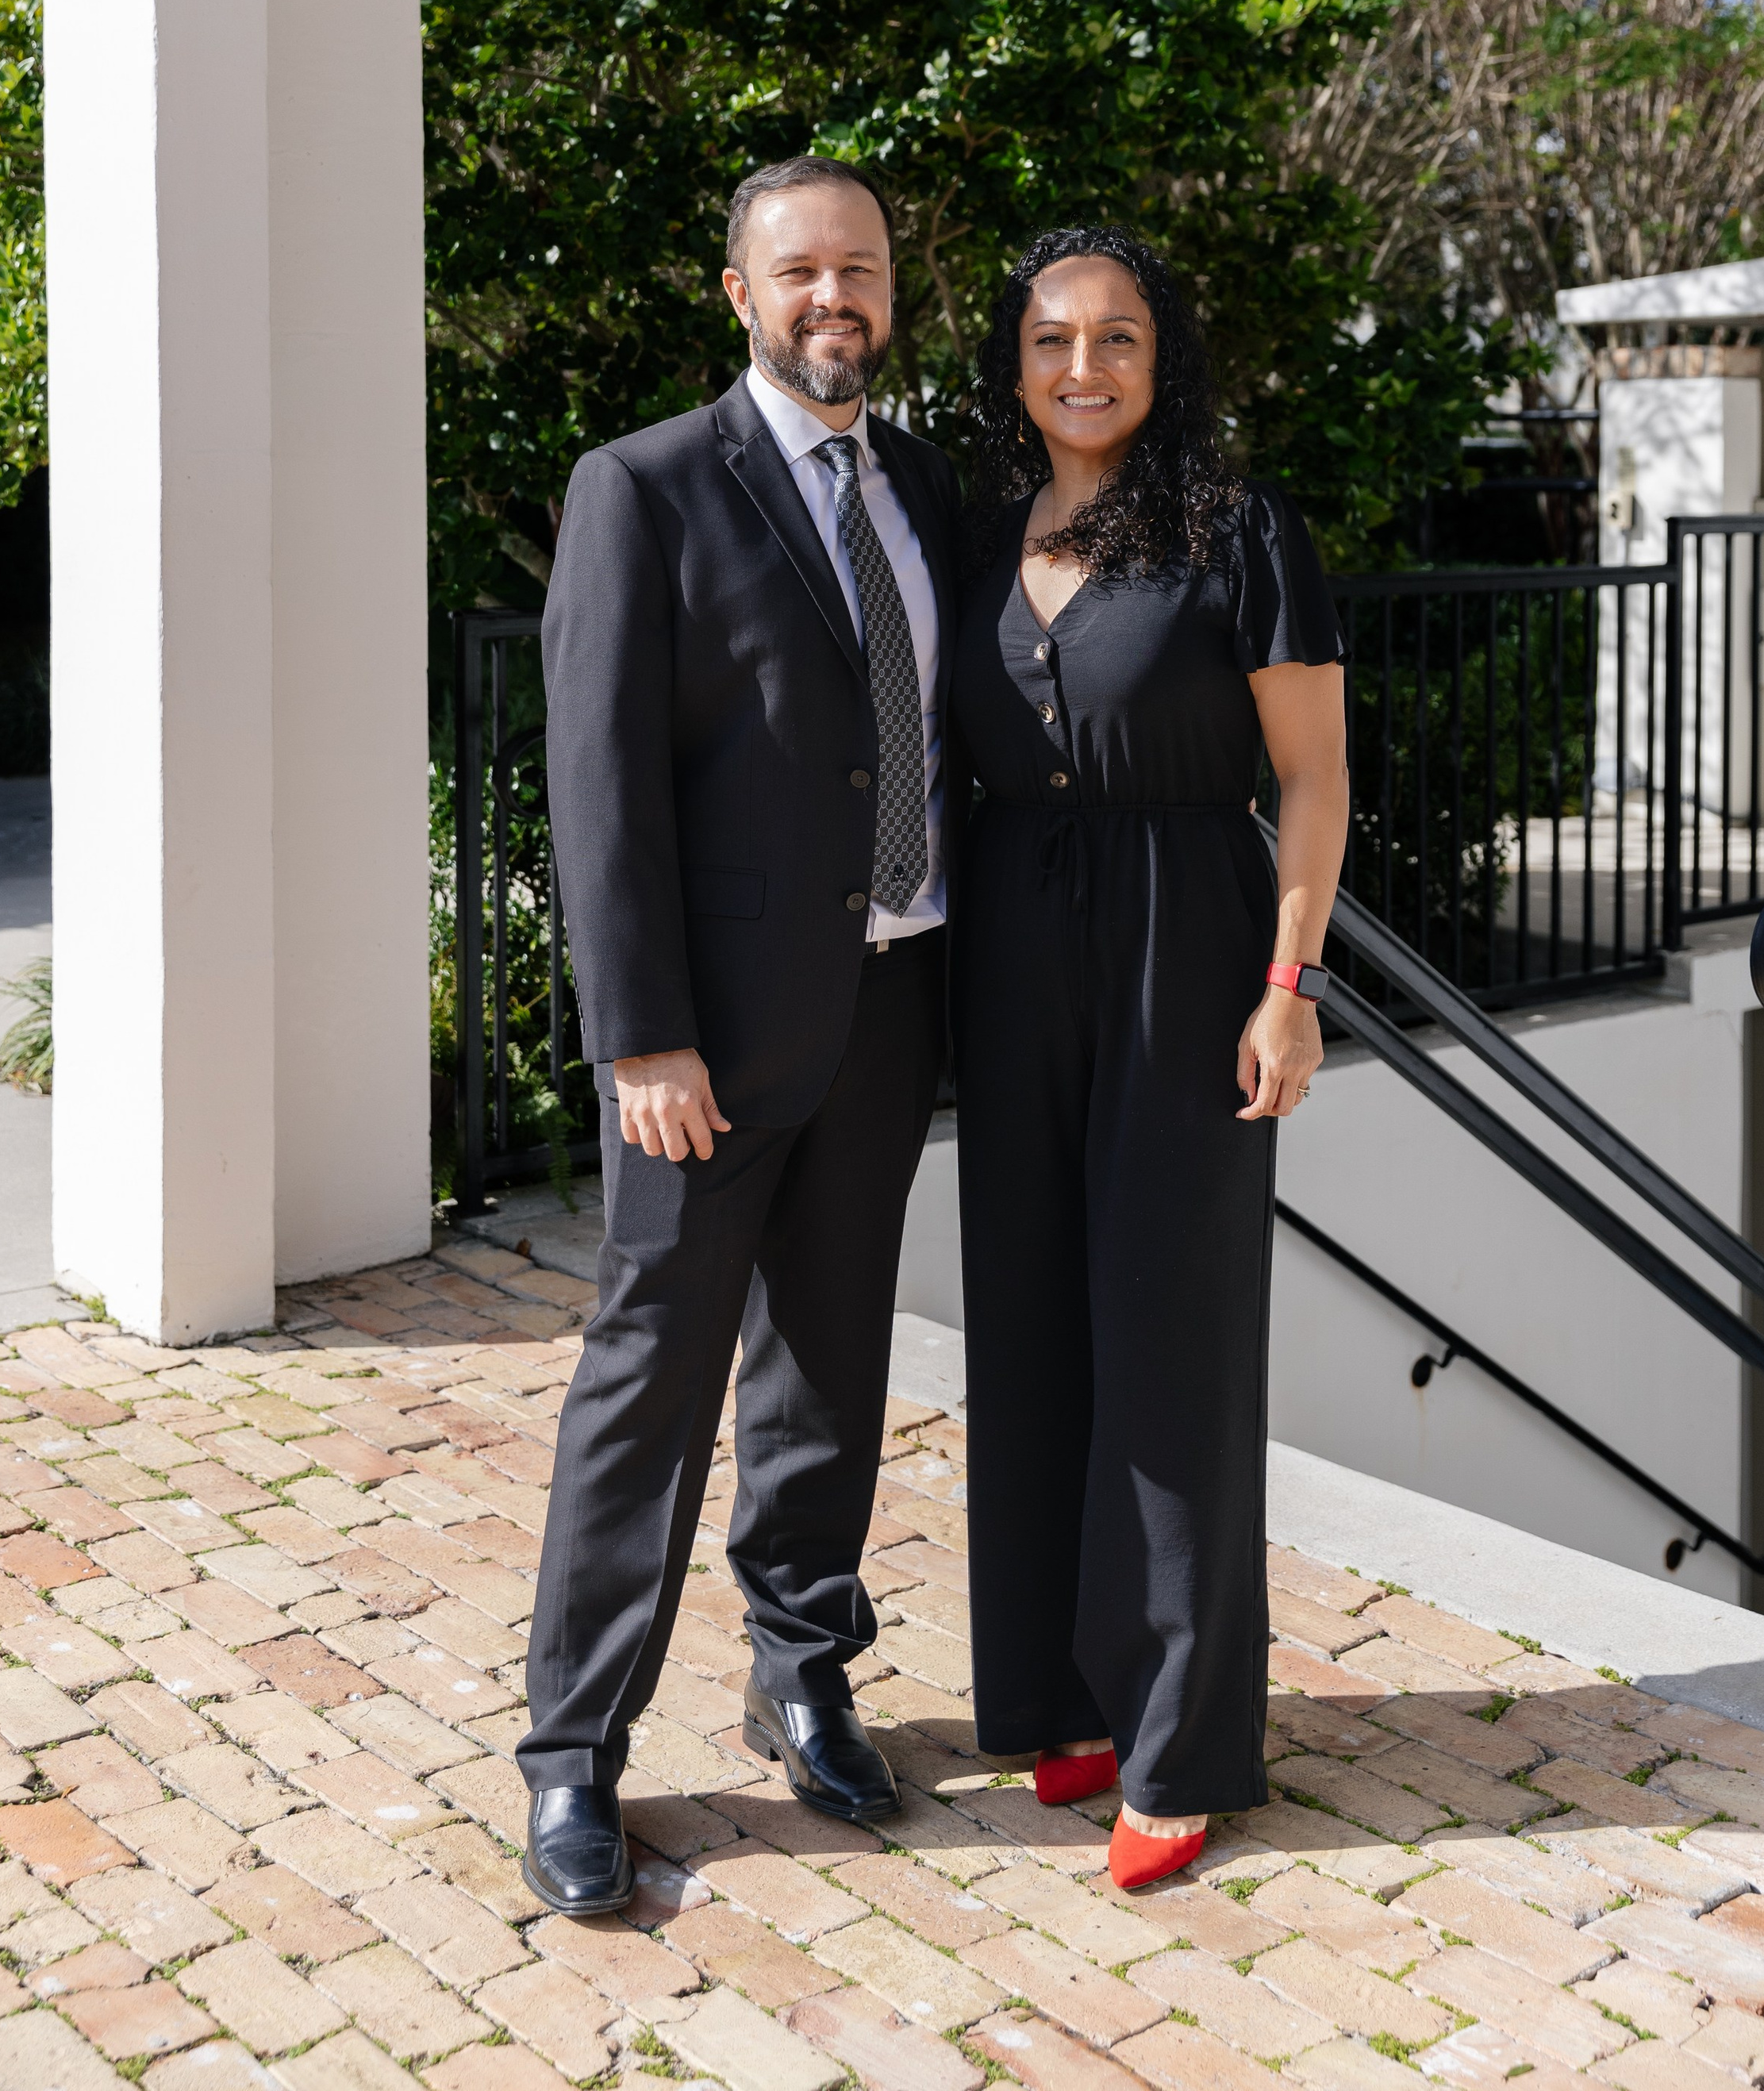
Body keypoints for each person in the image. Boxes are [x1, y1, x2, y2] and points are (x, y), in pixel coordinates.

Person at [518, 154, 963, 1916]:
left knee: (827, 1374)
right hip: (698, 1049)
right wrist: (639, 1035)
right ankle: (573, 1757)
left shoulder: (923, 482)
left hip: (889, 1003)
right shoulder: (643, 488)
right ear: (740, 295)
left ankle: (802, 1668)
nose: (831, 297)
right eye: (799, 273)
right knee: (648, 1392)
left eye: (858, 267)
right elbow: (598, 776)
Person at [953, 223, 1349, 1893]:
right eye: (1052, 340)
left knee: (1170, 1341)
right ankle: (1066, 1695)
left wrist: (1290, 980)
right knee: (1033, 1321)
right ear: (1013, 363)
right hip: (1006, 956)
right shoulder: (967, 534)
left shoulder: (1233, 531)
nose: (1083, 368)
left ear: (1160, 356)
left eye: (1116, 338)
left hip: (1186, 951)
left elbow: (1314, 780)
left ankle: (1181, 1738)